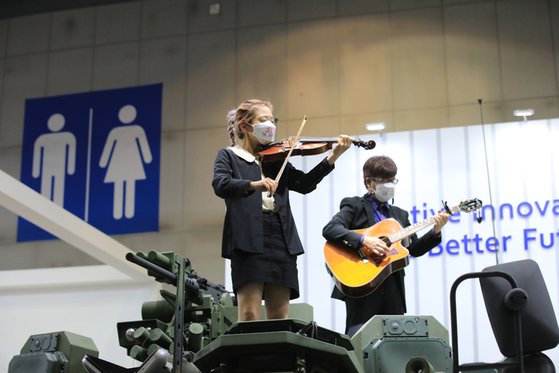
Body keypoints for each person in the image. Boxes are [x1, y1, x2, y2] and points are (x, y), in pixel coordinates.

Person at [212, 98, 352, 322]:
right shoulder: (228, 156)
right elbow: (220, 184)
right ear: (245, 126)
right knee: (248, 313)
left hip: (280, 236)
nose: (271, 126)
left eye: (272, 120)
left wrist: (332, 157)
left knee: (279, 315)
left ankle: (275, 358)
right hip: (247, 238)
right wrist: (254, 185)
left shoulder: (276, 159)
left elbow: (304, 184)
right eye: (263, 120)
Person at [322, 155, 449, 336]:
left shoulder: (400, 215)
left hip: (393, 286)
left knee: (394, 338)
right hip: (362, 282)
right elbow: (330, 229)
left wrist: (435, 231)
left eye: (392, 180)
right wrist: (364, 240)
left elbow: (413, 249)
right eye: (384, 180)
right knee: (360, 337)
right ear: (369, 182)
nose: (389, 185)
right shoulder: (354, 205)